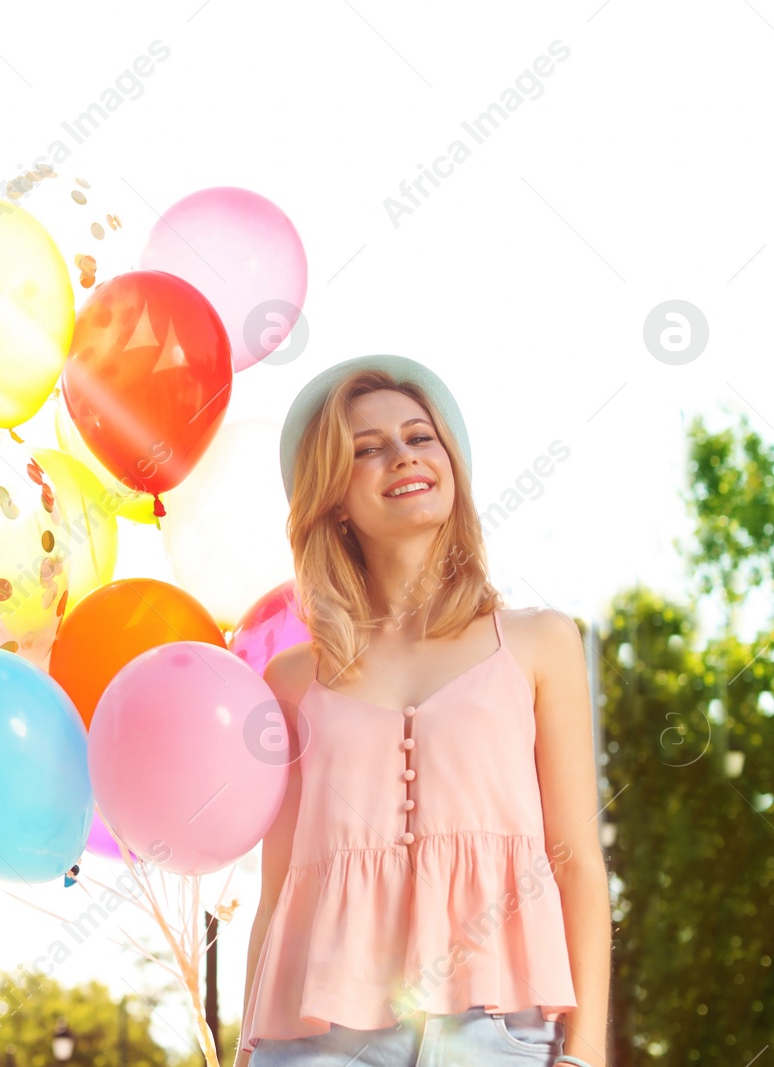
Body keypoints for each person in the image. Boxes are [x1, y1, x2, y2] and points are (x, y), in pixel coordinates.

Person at [233, 355, 611, 1067]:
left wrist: (585, 1053)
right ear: (334, 498)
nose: (402, 456)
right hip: (319, 1044)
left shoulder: (539, 642)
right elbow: (277, 889)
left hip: (499, 1036)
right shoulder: (290, 680)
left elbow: (578, 862)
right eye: (367, 449)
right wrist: (246, 1051)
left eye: (418, 436)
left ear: (451, 463)